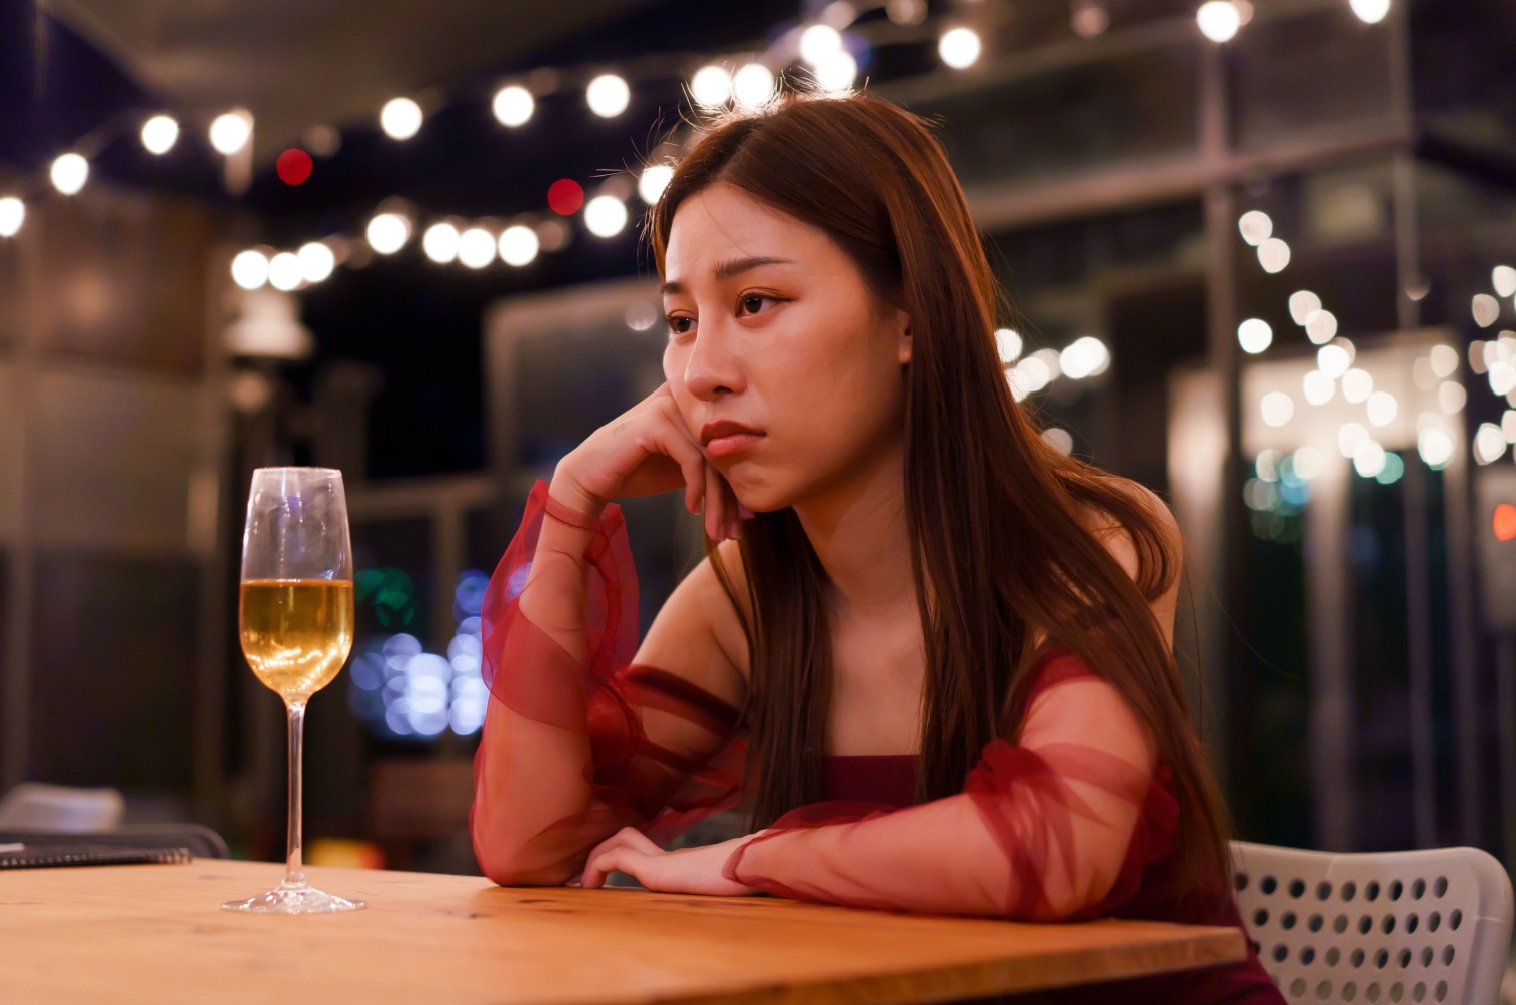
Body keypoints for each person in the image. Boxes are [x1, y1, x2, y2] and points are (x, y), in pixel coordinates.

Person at [469, 92, 1282, 1003]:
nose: (701, 372)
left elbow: (1055, 850)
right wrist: (573, 504)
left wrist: (750, 860)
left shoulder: (1089, 542)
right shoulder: (741, 600)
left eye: (756, 302)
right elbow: (532, 846)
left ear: (910, 318)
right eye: (683, 321)